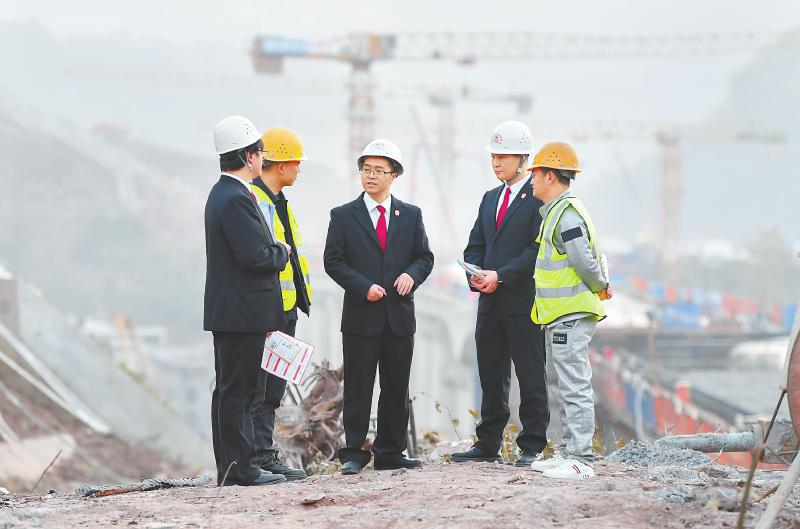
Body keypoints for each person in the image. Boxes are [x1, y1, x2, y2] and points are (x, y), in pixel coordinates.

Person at [323, 139, 434, 475]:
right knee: (358, 386)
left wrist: (411, 276)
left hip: (399, 317)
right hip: (361, 316)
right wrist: (362, 287)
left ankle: (390, 451)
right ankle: (354, 452)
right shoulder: (343, 216)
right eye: (366, 169)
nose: (370, 176)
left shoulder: (410, 215)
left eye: (378, 171)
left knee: (396, 387)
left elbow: (424, 257)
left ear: (394, 175)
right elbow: (333, 261)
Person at [452, 121, 549, 467]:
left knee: (530, 374)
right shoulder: (490, 198)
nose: (496, 163)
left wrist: (501, 276)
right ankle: (487, 443)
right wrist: (475, 274)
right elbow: (475, 244)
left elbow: (536, 250)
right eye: (493, 156)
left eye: (503, 156)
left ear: (523, 159)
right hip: (489, 302)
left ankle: (532, 445)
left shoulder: (538, 199)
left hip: (522, 302)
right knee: (490, 374)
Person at [204, 115, 291, 486]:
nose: (261, 159)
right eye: (259, 152)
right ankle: (240, 469)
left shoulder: (225, 193)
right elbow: (255, 256)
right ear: (247, 156)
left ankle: (231, 467)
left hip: (234, 312)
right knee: (238, 392)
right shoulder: (236, 198)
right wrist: (282, 251)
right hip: (241, 313)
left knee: (230, 390)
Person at [526, 141, 612, 480]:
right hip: (559, 315)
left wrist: (600, 285)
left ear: (550, 176)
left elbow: (584, 262)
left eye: (535, 174)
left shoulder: (567, 215)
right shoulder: (556, 213)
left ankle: (580, 459)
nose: (531, 180)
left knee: (574, 384)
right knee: (562, 383)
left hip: (571, 314)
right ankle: (567, 452)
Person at [248, 127, 312, 481]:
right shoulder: (257, 201)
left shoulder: (278, 201)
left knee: (274, 388)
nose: (299, 169)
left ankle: (263, 455)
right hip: (267, 312)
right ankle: (256, 458)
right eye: (296, 163)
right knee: (260, 388)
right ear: (282, 163)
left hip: (284, 309)